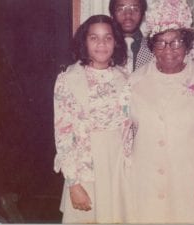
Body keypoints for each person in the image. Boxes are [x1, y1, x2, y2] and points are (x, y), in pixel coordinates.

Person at [125, 0, 194, 223]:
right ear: (152, 47)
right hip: (144, 182)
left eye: (176, 42)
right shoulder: (135, 81)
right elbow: (124, 134)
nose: (168, 50)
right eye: (160, 43)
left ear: (187, 45)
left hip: (188, 181)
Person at [53, 15, 131, 223]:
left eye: (108, 38)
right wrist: (74, 184)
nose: (101, 44)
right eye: (94, 38)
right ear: (84, 42)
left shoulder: (125, 79)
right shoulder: (68, 79)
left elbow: (130, 130)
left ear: (116, 42)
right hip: (85, 168)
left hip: (117, 167)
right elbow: (63, 136)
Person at [109, 0, 154, 73]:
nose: (128, 15)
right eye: (121, 9)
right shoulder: (103, 48)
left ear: (143, 15)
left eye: (135, 9)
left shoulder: (154, 48)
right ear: (112, 15)